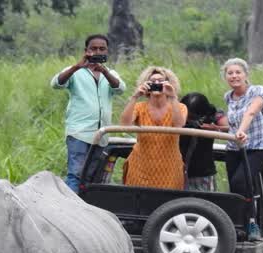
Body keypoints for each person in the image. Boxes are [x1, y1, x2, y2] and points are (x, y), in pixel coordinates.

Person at [51, 34, 126, 192]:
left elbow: (120, 88)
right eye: (93, 48)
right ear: (86, 51)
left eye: (101, 49)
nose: (97, 51)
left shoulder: (110, 73)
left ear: (107, 52)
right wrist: (77, 67)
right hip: (79, 132)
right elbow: (56, 84)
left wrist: (104, 72)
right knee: (76, 174)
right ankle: (70, 211)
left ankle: (88, 209)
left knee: (94, 176)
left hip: (101, 134)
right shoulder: (75, 71)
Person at [222, 57, 263, 240]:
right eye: (230, 73)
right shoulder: (228, 97)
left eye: (238, 72)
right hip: (234, 147)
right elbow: (231, 122)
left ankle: (253, 224)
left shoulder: (258, 91)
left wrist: (241, 132)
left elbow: (250, 112)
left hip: (258, 146)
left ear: (246, 75)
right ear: (225, 77)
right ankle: (239, 226)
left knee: (241, 181)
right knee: (235, 188)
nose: (234, 76)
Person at [119, 66, 187, 190]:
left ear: (169, 84)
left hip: (170, 169)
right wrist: (134, 97)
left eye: (161, 81)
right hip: (140, 167)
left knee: (167, 204)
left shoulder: (180, 107)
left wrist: (172, 97)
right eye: (152, 82)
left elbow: (179, 124)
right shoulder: (139, 107)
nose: (156, 84)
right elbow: (124, 125)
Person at [179, 93, 229, 191]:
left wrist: (214, 128)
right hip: (178, 171)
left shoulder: (213, 114)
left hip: (203, 172)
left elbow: (230, 129)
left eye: (192, 117)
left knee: (204, 204)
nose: (189, 120)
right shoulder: (177, 113)